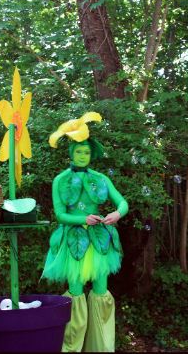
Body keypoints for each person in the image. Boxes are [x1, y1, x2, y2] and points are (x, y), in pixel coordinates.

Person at [42, 112, 128, 352]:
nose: (82, 156)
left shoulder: (100, 179)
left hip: (99, 242)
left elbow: (122, 202)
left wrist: (117, 214)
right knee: (76, 294)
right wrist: (83, 219)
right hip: (73, 242)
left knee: (101, 293)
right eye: (78, 152)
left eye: (86, 152)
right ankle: (72, 348)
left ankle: (101, 348)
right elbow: (60, 214)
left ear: (92, 155)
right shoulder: (60, 180)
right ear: (71, 153)